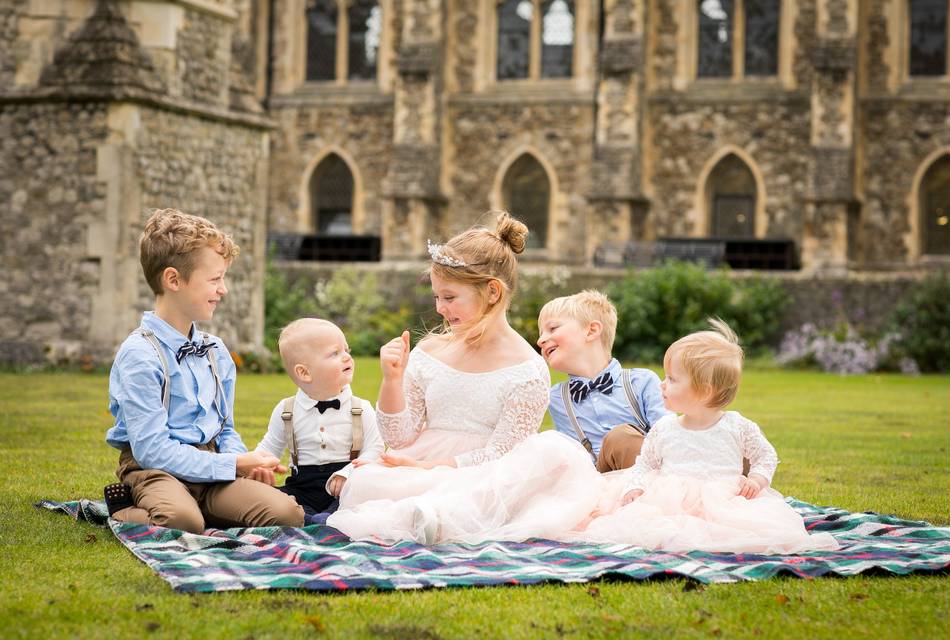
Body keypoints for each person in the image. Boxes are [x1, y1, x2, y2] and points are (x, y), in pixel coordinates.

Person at [327, 212, 601, 544]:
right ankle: (429, 514)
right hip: (422, 461)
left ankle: (436, 515)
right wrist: (391, 380)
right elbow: (400, 437)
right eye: (436, 297)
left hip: (482, 471)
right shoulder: (430, 353)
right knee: (369, 481)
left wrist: (431, 469)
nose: (440, 308)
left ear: (492, 292)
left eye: (450, 297)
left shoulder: (527, 369)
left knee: (531, 468)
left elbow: (503, 453)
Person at [103, 209, 303, 533]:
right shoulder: (139, 355)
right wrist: (234, 464)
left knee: (287, 513)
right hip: (154, 469)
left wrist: (240, 465)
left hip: (212, 469)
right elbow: (152, 450)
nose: (223, 289)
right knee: (180, 521)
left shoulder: (216, 352)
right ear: (173, 280)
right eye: (214, 279)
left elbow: (225, 429)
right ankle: (125, 509)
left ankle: (201, 510)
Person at [570, 319, 839, 554]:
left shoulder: (737, 426)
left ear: (705, 391)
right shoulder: (665, 429)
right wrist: (635, 486)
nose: (662, 385)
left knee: (741, 530)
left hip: (722, 499)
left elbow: (765, 455)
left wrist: (757, 479)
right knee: (649, 525)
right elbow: (645, 464)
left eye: (673, 380)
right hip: (669, 499)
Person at [253, 318, 383, 515]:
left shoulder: (361, 408)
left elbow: (375, 449)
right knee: (275, 504)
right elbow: (269, 448)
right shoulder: (286, 410)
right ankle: (310, 517)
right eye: (335, 353)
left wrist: (349, 473)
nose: (347, 357)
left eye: (347, 350)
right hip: (302, 487)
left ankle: (323, 519)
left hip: (345, 486)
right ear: (304, 372)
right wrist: (258, 466)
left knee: (358, 503)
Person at [537, 290, 669, 472]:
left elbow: (668, 436)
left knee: (620, 438)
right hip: (595, 481)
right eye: (541, 333)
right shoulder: (557, 398)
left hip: (647, 474)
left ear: (592, 331)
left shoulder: (641, 381)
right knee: (549, 446)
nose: (540, 340)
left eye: (552, 328)